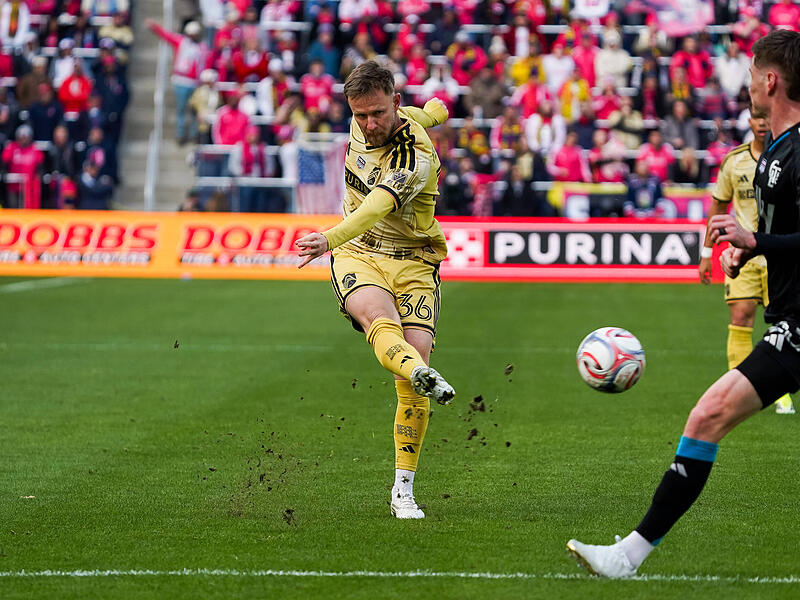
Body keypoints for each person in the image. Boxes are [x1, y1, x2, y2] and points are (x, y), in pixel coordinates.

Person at [567, 29, 800, 577]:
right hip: (789, 320)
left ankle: (627, 556)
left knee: (707, 415)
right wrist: (750, 251)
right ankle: (627, 556)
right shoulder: (777, 151)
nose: (746, 85)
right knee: (708, 415)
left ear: (770, 81)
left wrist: (756, 241)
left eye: (750, 75)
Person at [294, 61, 456, 520]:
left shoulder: (414, 160)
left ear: (395, 105)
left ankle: (402, 488)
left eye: (378, 115)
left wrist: (328, 237)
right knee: (377, 319)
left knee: (410, 384)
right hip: (359, 252)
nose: (368, 124)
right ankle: (420, 371)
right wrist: (434, 111)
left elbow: (377, 205)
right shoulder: (364, 113)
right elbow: (419, 116)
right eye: (361, 115)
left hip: (414, 260)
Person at [698, 106, 795, 414]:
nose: (763, 123)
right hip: (744, 254)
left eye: (767, 117)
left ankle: (778, 389)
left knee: (786, 325)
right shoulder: (734, 161)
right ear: (750, 122)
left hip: (780, 252)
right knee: (740, 318)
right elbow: (718, 206)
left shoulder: (789, 153)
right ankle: (738, 389)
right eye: (758, 118)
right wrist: (706, 253)